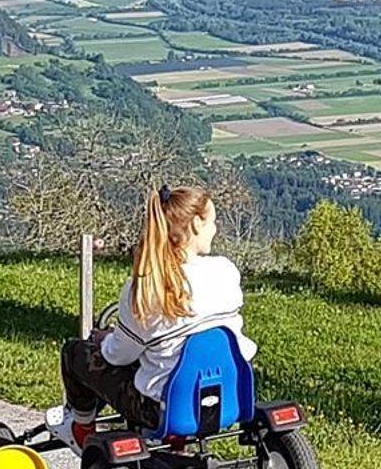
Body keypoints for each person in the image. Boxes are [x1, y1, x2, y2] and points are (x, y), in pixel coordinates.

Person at [55, 184, 254, 444]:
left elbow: (118, 356)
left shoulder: (144, 289)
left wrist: (104, 340)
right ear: (196, 224)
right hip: (231, 395)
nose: (215, 229)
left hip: (161, 410)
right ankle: (176, 443)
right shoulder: (226, 271)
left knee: (74, 353)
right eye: (213, 222)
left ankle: (81, 428)